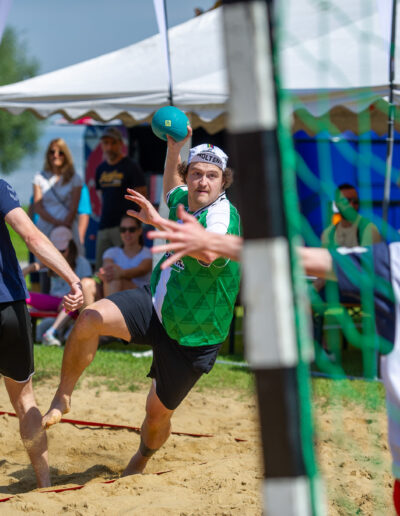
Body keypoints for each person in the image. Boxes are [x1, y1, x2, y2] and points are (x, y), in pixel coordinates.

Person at [42, 129, 241, 478]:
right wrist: (175, 148)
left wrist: (159, 221)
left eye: (212, 176)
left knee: (155, 415)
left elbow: (209, 252)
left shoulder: (224, 217)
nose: (202, 181)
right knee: (89, 317)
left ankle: (142, 459)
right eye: (196, 173)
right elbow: (169, 188)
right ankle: (63, 396)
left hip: (194, 337)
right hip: (157, 306)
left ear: (223, 182)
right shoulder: (182, 195)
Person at [0, 179, 83, 488]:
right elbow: (32, 237)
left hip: (9, 300)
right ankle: (45, 485)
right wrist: (73, 279)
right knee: (24, 400)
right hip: (9, 306)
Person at [24, 226, 92, 346]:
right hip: (55, 301)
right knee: (22, 295)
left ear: (71, 247)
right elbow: (29, 270)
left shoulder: (82, 263)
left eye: (62, 250)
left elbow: (86, 289)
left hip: (73, 303)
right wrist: (31, 268)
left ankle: (51, 332)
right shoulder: (51, 261)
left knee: (71, 300)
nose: (61, 254)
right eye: (57, 251)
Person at [95, 127, 147, 270]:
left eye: (113, 143)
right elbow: (101, 197)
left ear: (120, 144)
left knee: (123, 268)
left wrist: (134, 224)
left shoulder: (131, 166)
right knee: (101, 270)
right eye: (106, 143)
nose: (109, 147)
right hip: (104, 224)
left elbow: (142, 195)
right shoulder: (101, 168)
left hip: (125, 228)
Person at [82, 215, 152, 305]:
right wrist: (105, 274)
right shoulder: (111, 252)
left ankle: (108, 317)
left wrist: (119, 273)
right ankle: (89, 318)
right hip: (111, 290)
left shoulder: (147, 253)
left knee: (114, 279)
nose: (127, 233)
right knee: (85, 284)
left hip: (139, 300)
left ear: (140, 231)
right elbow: (108, 269)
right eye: (123, 230)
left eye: (131, 229)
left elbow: (141, 270)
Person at [33, 139, 83, 255]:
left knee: (69, 260)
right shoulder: (39, 177)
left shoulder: (75, 178)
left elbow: (74, 207)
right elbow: (38, 207)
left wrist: (64, 225)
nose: (56, 156)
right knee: (45, 263)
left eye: (60, 152)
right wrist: (55, 222)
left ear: (66, 155)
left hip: (67, 226)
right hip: (46, 226)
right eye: (52, 152)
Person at [321, 183, 381, 248]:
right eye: (346, 201)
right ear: (336, 205)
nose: (351, 205)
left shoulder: (368, 230)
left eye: (355, 201)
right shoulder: (328, 234)